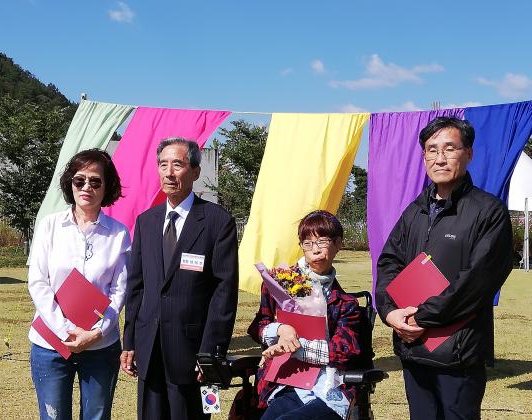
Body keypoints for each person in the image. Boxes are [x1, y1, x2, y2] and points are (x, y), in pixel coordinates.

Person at [375, 117, 513, 419]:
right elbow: (389, 262)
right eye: (431, 150)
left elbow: (477, 281)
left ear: (468, 154)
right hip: (413, 346)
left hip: (458, 352)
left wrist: (423, 316)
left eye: (449, 149)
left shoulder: (488, 211)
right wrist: (390, 312)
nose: (439, 158)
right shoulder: (415, 210)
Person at [121, 137, 239, 420]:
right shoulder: (146, 221)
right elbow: (136, 287)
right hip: (150, 348)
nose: (169, 173)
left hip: (192, 351)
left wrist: (211, 351)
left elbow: (224, 291)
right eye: (163, 164)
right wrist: (130, 341)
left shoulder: (216, 221)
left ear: (195, 172)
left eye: (178, 164)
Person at [28, 149, 131, 420]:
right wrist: (65, 330)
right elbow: (38, 282)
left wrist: (96, 332)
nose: (87, 187)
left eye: (95, 181)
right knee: (52, 415)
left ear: (107, 187)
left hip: (100, 346)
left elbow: (119, 290)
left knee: (97, 416)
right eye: (79, 180)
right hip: (50, 344)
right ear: (70, 183)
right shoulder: (50, 226)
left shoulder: (119, 234)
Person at [248, 210, 362, 420]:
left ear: (338, 244)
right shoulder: (279, 284)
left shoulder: (346, 304)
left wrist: (296, 347)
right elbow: (258, 325)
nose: (315, 251)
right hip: (287, 382)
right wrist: (281, 330)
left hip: (327, 387)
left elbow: (344, 350)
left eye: (322, 242)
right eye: (307, 243)